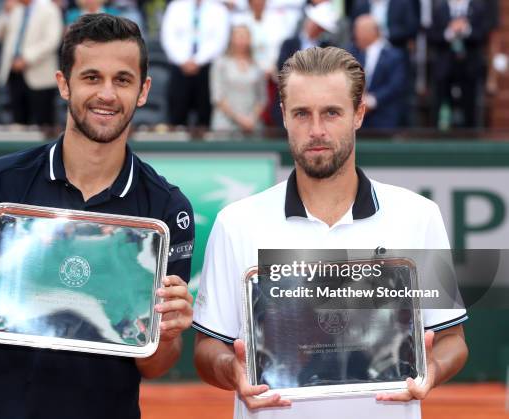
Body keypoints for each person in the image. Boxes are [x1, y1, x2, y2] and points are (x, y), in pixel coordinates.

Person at [0, 14, 195, 419]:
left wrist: (167, 334)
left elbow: (157, 364)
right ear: (64, 84)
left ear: (143, 90)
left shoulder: (168, 209)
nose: (106, 94)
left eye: (123, 80)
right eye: (91, 77)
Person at [193, 46, 468, 419]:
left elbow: (452, 341)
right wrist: (233, 370)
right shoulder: (236, 223)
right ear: (284, 117)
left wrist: (432, 370)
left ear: (358, 114)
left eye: (332, 113)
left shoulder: (419, 216)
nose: (317, 130)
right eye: (302, 114)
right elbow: (209, 347)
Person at [0, 0, 63, 136]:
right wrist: (5, 13)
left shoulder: (49, 8)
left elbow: (52, 40)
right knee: (18, 124)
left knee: (43, 125)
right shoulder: (15, 10)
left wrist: (26, 58)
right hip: (15, 73)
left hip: (39, 75)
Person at [160, 0, 230, 129]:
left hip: (207, 69)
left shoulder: (219, 9)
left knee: (205, 116)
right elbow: (168, 37)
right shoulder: (175, 7)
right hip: (179, 67)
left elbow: (219, 40)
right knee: (177, 114)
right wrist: (183, 61)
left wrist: (197, 61)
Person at [427, 0, 488, 128]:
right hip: (445, 67)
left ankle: (470, 139)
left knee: (469, 106)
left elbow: (483, 35)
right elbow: (431, 36)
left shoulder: (477, 7)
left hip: (469, 66)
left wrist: (465, 29)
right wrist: (450, 31)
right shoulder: (440, 8)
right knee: (441, 104)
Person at [351, 14, 406, 129]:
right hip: (357, 119)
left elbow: (396, 86)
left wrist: (372, 100)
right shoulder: (352, 54)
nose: (355, 35)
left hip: (384, 118)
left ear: (371, 32)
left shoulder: (394, 56)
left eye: (358, 30)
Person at [210, 24, 266, 135]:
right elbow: (218, 97)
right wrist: (240, 119)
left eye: (245, 36)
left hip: (252, 126)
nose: (242, 40)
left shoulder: (256, 65)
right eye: (238, 36)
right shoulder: (220, 63)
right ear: (231, 39)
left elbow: (262, 98)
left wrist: (252, 119)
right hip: (225, 125)